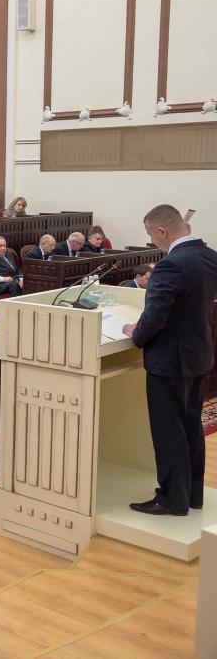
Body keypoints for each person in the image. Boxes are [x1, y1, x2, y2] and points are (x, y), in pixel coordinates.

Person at [121, 204, 217, 516]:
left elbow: (155, 316)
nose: (152, 241)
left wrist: (135, 333)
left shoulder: (171, 265)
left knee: (168, 431)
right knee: (191, 427)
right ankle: (192, 495)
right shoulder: (209, 256)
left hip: (170, 360)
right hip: (198, 353)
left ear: (162, 231)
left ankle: (171, 499)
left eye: (151, 235)